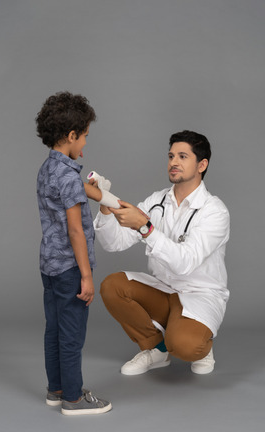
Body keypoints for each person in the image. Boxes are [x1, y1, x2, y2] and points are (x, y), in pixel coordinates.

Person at [93, 130, 230, 376]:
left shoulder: (214, 211)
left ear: (202, 164)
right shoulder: (156, 202)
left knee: (186, 346)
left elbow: (185, 263)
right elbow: (114, 243)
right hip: (163, 289)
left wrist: (145, 227)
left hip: (199, 294)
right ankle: (156, 349)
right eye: (170, 156)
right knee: (112, 286)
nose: (173, 162)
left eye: (182, 156)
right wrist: (105, 205)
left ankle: (202, 343)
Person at [36, 91, 112, 415]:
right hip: (70, 269)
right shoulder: (69, 177)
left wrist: (105, 195)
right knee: (72, 335)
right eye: (84, 138)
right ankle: (74, 398)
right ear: (71, 135)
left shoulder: (48, 169)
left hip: (48, 265)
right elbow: (76, 230)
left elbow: (81, 190)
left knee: (53, 329)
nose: (84, 145)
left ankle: (56, 389)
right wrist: (86, 276)